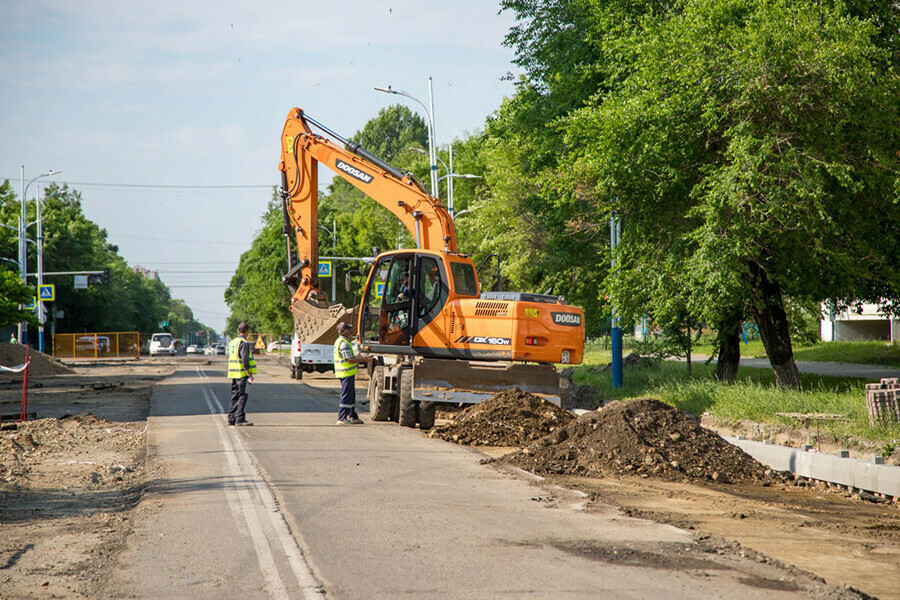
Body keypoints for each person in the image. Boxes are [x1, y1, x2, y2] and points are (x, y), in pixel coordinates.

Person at [333, 322, 372, 425]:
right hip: (345, 373)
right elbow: (349, 359)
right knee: (346, 395)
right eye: (349, 329)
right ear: (344, 331)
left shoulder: (341, 341)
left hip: (346, 373)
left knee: (351, 395)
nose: (351, 331)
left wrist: (357, 356)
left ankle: (353, 416)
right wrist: (364, 359)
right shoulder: (344, 343)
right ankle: (341, 418)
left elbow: (349, 356)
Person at [227, 322, 257, 426]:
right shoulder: (244, 343)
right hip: (242, 374)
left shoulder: (233, 342)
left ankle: (231, 419)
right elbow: (245, 359)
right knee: (243, 395)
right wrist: (249, 373)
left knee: (234, 396)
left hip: (233, 374)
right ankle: (240, 418)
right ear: (247, 332)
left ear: (238, 331)